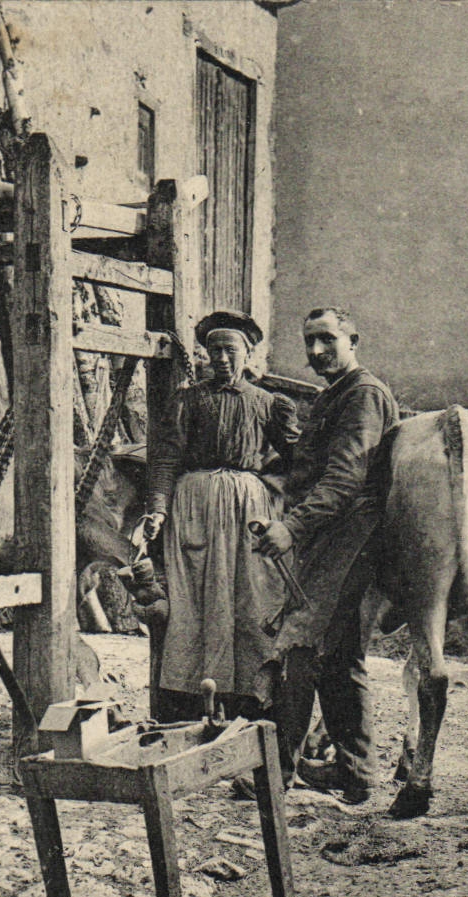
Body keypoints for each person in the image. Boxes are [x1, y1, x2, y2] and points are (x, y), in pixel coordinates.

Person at [252, 307, 399, 805]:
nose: (315, 352)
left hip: (353, 537)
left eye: (327, 340)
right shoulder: (335, 396)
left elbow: (345, 479)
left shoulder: (363, 395)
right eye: (308, 342)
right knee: (337, 657)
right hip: (333, 538)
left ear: (353, 339)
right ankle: (355, 774)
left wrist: (291, 527)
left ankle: (276, 774)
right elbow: (313, 464)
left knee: (302, 648)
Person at [143, 311, 299, 721]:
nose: (222, 359)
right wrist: (158, 509)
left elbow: (299, 461)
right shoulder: (188, 400)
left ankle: (249, 696)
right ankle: (188, 701)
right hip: (194, 505)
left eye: (230, 350)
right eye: (214, 351)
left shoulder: (268, 404)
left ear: (248, 354)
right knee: (191, 601)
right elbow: (164, 459)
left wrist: (282, 501)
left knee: (252, 596)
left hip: (249, 508)